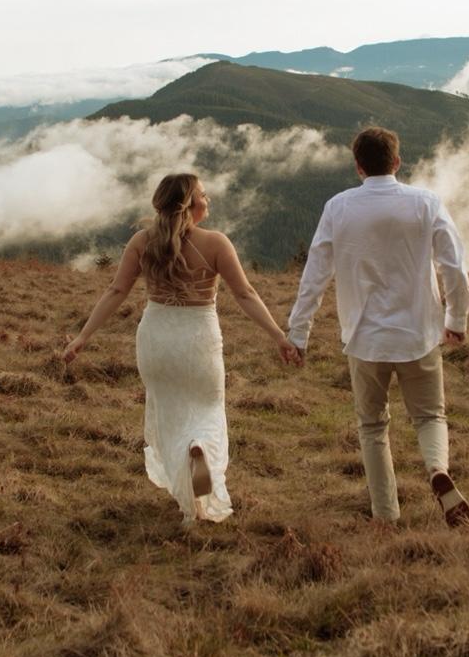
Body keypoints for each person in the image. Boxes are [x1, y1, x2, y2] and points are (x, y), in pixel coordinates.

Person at [62, 173, 299, 525]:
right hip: (198, 339)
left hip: (156, 339)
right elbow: (245, 294)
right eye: (203, 194)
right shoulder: (215, 243)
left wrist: (82, 337)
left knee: (170, 417)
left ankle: (193, 495)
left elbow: (116, 291)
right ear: (189, 204)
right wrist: (279, 336)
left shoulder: (142, 242)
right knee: (206, 413)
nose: (208, 199)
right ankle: (199, 469)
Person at [287, 126, 469, 527]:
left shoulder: (338, 207)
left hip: (364, 338)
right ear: (397, 162)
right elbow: (454, 266)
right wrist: (456, 319)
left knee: (372, 427)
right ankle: (436, 469)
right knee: (430, 416)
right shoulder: (425, 202)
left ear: (358, 166)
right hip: (418, 334)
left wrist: (298, 333)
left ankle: (386, 516)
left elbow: (315, 275)